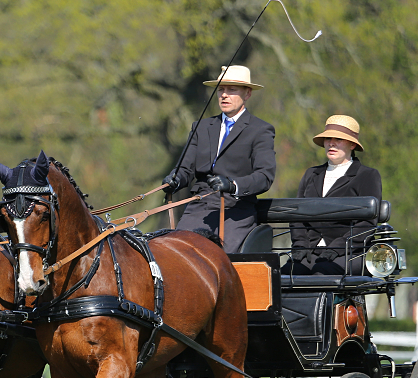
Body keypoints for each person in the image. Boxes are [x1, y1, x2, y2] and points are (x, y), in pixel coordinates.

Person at [163, 65, 276, 255]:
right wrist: (175, 179)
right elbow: (185, 169)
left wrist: (232, 185)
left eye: (231, 90)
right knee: (173, 255)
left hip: (235, 210)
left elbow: (265, 176)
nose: (224, 95)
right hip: (199, 207)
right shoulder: (201, 127)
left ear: (247, 94)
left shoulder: (260, 130)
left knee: (220, 260)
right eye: (221, 90)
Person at [288, 114, 383, 275]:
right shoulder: (311, 174)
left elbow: (367, 223)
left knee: (322, 271)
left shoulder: (367, 176)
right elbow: (297, 215)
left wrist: (339, 246)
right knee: (281, 277)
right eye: (328, 139)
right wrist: (300, 245)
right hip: (310, 251)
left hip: (350, 252)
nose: (331, 143)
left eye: (338, 139)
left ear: (352, 144)